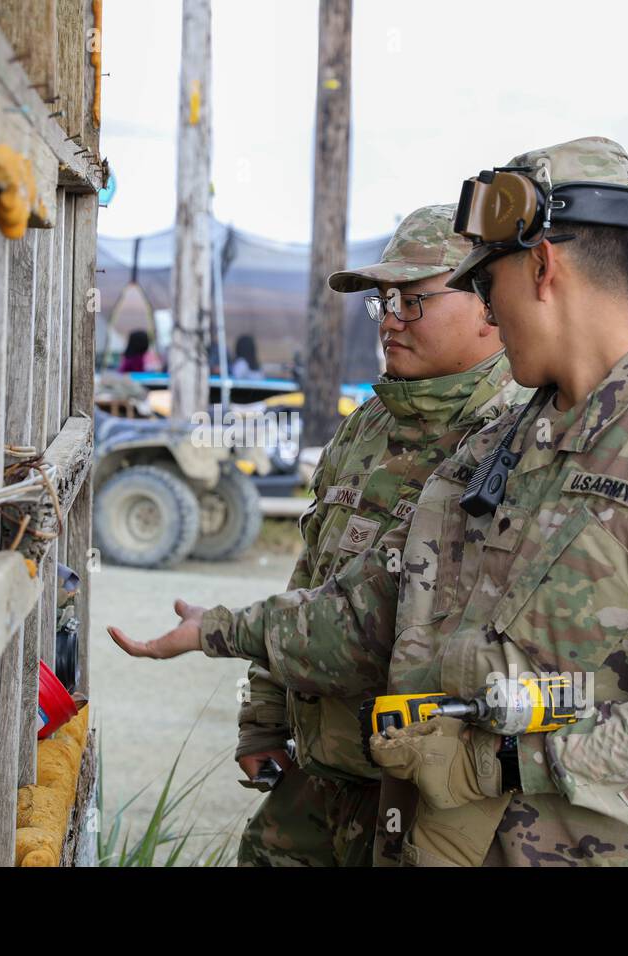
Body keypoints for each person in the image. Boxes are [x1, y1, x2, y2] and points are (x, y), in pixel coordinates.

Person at [109, 137, 628, 867]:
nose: (490, 311)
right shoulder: (498, 445)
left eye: (486, 281)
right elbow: (378, 610)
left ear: (541, 266)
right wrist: (226, 630)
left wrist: (497, 761)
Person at [146, 204, 530, 867]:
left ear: (489, 304)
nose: (389, 319)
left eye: (414, 300)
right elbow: (311, 578)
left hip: (432, 796)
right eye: (383, 301)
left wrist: (224, 630)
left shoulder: (517, 442)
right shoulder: (372, 422)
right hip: (322, 777)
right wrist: (263, 715)